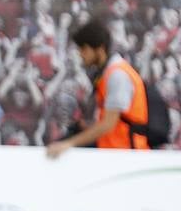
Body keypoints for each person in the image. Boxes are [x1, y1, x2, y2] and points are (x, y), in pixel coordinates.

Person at [46, 18, 152, 158]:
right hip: (114, 153)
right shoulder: (107, 74)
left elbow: (109, 124)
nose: (81, 55)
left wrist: (69, 144)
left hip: (126, 155)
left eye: (84, 49)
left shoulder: (117, 75)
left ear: (100, 48)